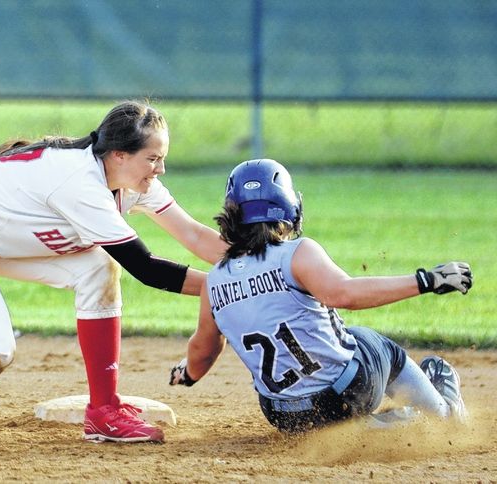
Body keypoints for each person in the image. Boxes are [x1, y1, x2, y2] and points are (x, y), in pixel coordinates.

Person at [0, 100, 226, 443]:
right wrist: (223, 286)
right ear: (119, 154)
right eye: (153, 158)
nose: (160, 169)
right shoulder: (80, 183)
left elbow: (193, 234)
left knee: (98, 268)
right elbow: (145, 268)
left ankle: (104, 411)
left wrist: (259, 263)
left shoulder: (131, 181)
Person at [169, 158, 473, 434]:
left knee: (338, 340)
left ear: (231, 216)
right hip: (344, 396)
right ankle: (443, 413)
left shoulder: (214, 281)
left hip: (284, 417)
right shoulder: (296, 253)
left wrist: (188, 375)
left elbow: (203, 351)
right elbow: (344, 295)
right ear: (288, 209)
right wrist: (425, 280)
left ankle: (360, 429)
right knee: (370, 341)